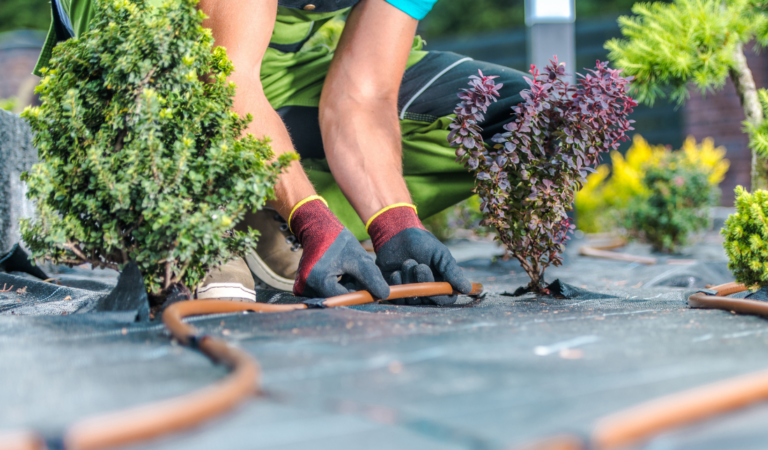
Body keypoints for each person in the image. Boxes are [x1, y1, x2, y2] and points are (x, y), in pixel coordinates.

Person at [35, 0, 528, 304]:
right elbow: (225, 72)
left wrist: (395, 225)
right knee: (162, 44)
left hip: (273, 58)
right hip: (157, 33)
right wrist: (309, 216)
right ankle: (203, 216)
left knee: (525, 113)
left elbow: (363, 94)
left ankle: (271, 216)